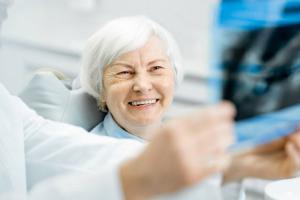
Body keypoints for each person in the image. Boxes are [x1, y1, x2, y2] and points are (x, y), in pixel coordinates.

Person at [80, 16, 182, 141]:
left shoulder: (187, 142)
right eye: (125, 72)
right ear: (100, 88)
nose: (143, 86)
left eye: (155, 68)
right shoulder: (95, 155)